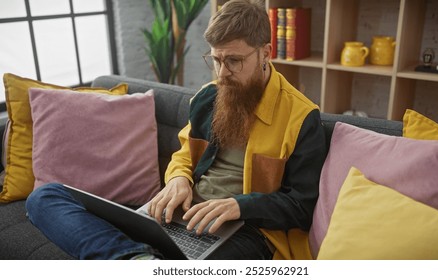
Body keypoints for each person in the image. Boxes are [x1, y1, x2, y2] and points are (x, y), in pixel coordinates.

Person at [26, 0, 327, 260]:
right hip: (182, 214)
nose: (223, 73)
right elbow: (183, 155)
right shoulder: (209, 97)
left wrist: (240, 205)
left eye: (234, 61)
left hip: (248, 231)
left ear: (266, 53)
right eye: (216, 60)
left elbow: (300, 207)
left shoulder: (301, 117)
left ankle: (127, 255)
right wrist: (179, 179)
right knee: (46, 197)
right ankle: (135, 258)